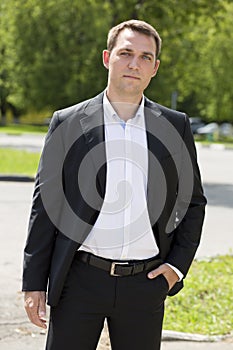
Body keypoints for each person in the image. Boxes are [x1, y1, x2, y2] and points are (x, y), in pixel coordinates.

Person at [23, 19, 207, 350]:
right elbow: (45, 204)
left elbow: (192, 202)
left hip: (146, 284)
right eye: (126, 53)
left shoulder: (175, 126)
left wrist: (176, 267)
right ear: (107, 58)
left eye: (145, 57)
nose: (134, 64)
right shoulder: (67, 122)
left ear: (155, 68)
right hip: (78, 280)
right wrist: (34, 281)